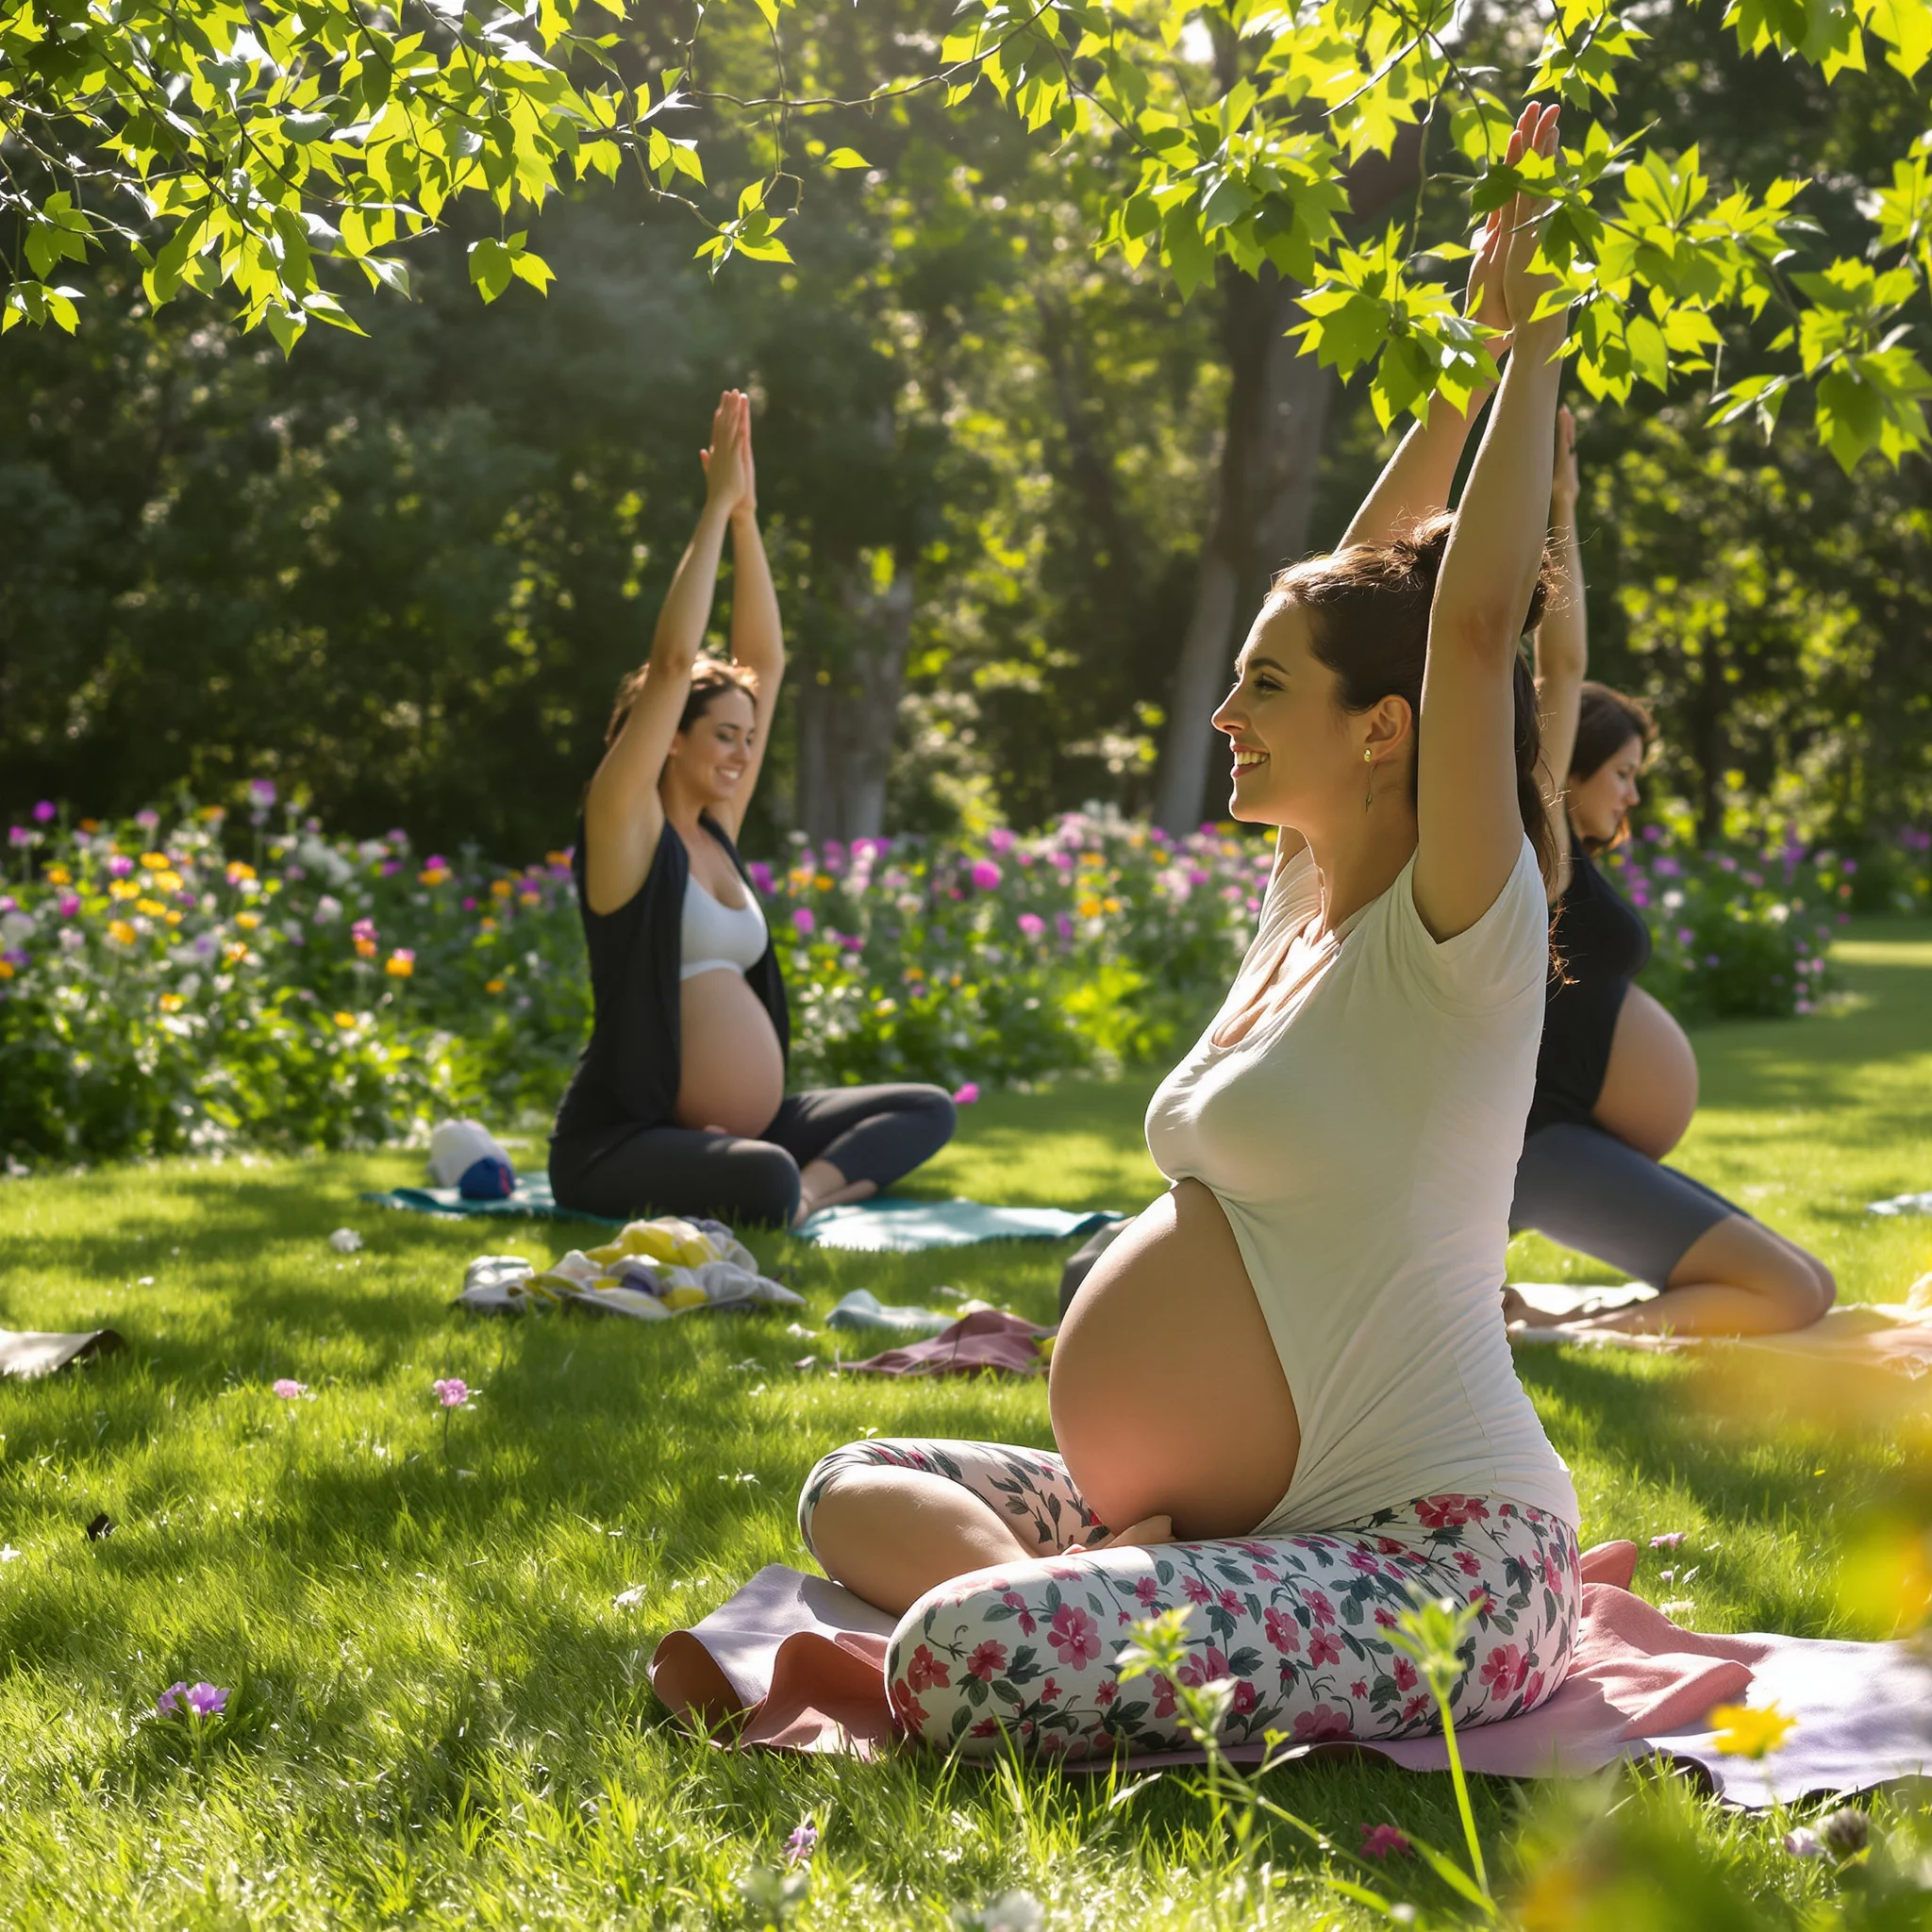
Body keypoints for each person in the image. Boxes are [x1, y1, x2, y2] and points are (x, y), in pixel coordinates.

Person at [787, 107, 1583, 1761]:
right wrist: (1447, 374)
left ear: (1386, 730)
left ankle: (1074, 1604)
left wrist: (1538, 341)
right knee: (849, 1483)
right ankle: (1120, 1582)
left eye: (1264, 685)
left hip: (1433, 1554)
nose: (1223, 708)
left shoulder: (1455, 938)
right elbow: (1381, 579)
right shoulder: (1300, 900)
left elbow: (1469, 616)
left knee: (949, 1652)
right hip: (1243, 1518)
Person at [547, 390, 956, 1228]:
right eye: (723, 736)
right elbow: (669, 666)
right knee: (765, 1174)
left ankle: (809, 1192)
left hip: (750, 1129)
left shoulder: (717, 835)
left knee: (926, 1108)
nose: (743, 752)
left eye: (748, 735)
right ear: (669, 739)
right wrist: (710, 513)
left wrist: (747, 520)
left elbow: (762, 659)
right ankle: (794, 1188)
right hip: (623, 1140)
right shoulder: (626, 830)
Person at [1502, 417, 1835, 1339]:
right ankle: (1556, 1335)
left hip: (1566, 1140)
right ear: (1565, 767)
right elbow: (1558, 668)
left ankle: (1567, 1321)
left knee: (1807, 1277)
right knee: (1788, 1293)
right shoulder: (1530, 847)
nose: (1633, 793)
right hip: (1535, 1149)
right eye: (1622, 770)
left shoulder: (1558, 865)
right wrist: (1555, 503)